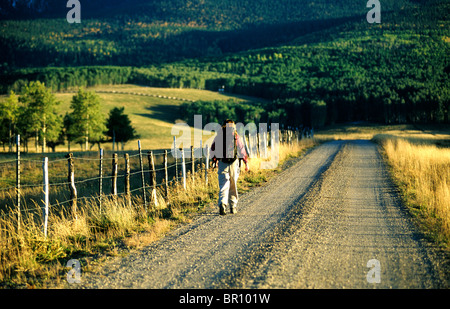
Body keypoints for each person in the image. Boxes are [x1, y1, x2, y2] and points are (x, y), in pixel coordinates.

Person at [210, 119, 249, 215]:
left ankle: (222, 204)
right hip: (233, 163)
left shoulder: (219, 135)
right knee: (233, 184)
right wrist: (246, 162)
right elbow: (241, 149)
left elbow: (212, 149)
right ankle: (233, 206)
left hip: (222, 163)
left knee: (223, 185)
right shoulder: (235, 136)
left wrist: (214, 161)